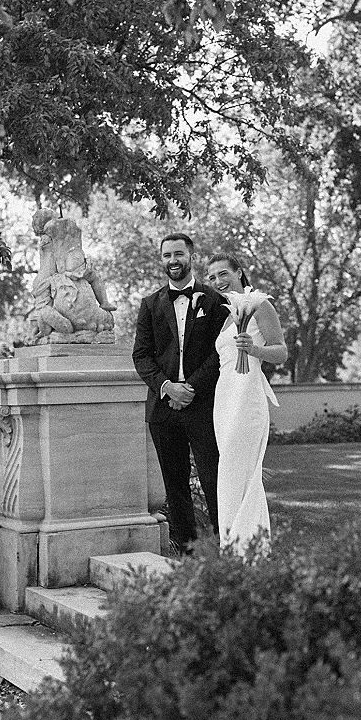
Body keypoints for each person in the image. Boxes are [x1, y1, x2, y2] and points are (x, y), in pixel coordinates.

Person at [132, 234, 229, 553]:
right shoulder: (149, 305)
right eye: (166, 255)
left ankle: (224, 544)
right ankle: (186, 550)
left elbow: (220, 352)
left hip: (203, 406)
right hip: (163, 410)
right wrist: (167, 387)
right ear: (161, 260)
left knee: (214, 478)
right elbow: (141, 355)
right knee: (174, 485)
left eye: (179, 254)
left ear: (191, 256)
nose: (172, 260)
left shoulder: (214, 300)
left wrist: (191, 388)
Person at [207, 253, 288, 554]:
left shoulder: (260, 305)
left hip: (247, 397)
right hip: (225, 396)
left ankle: (244, 550)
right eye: (212, 277)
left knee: (237, 469)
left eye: (223, 273)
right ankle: (237, 546)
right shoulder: (228, 313)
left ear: (239, 272)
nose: (218, 281)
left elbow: (281, 352)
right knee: (229, 472)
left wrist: (254, 349)